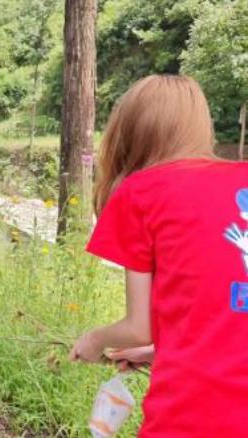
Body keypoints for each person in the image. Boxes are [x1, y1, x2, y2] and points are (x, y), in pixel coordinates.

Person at [70, 75, 248, 437]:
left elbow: (139, 328)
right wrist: (158, 352)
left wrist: (94, 340)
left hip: (195, 415)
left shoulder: (142, 192)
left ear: (131, 132)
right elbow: (226, 315)